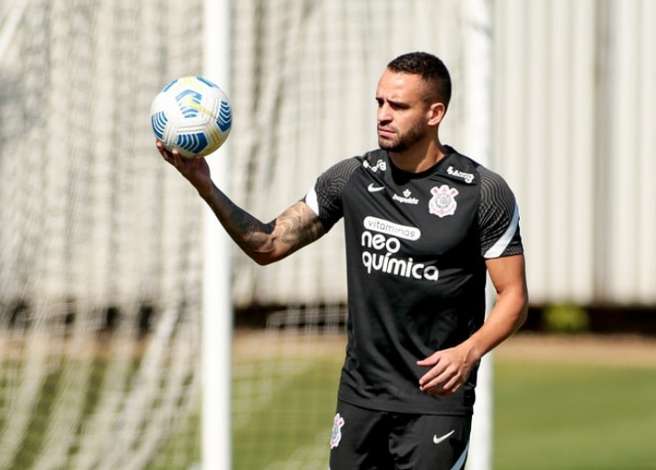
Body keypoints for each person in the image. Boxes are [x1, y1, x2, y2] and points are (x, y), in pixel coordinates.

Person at [157, 51, 528, 470]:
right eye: (380, 102)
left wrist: (469, 351)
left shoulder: (483, 192)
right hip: (361, 397)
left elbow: (513, 296)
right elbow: (268, 244)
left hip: (435, 404)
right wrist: (204, 185)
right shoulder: (352, 178)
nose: (384, 115)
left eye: (398, 106)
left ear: (434, 113)